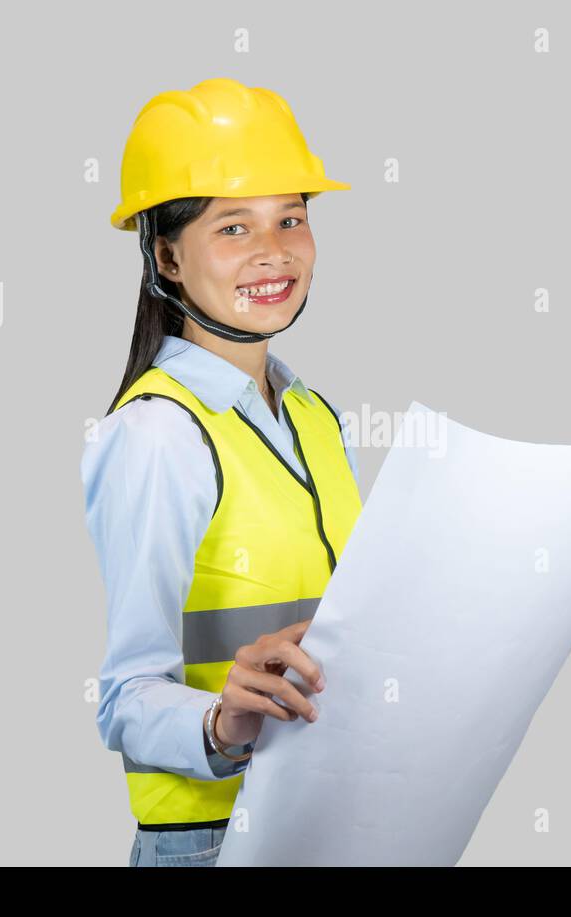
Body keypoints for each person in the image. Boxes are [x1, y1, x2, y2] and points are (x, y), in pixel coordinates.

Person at [81, 78, 363, 867]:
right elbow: (124, 700)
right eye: (233, 226)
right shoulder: (158, 435)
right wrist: (219, 724)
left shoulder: (312, 415)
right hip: (213, 844)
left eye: (292, 219)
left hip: (337, 823)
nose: (273, 252)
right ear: (166, 255)